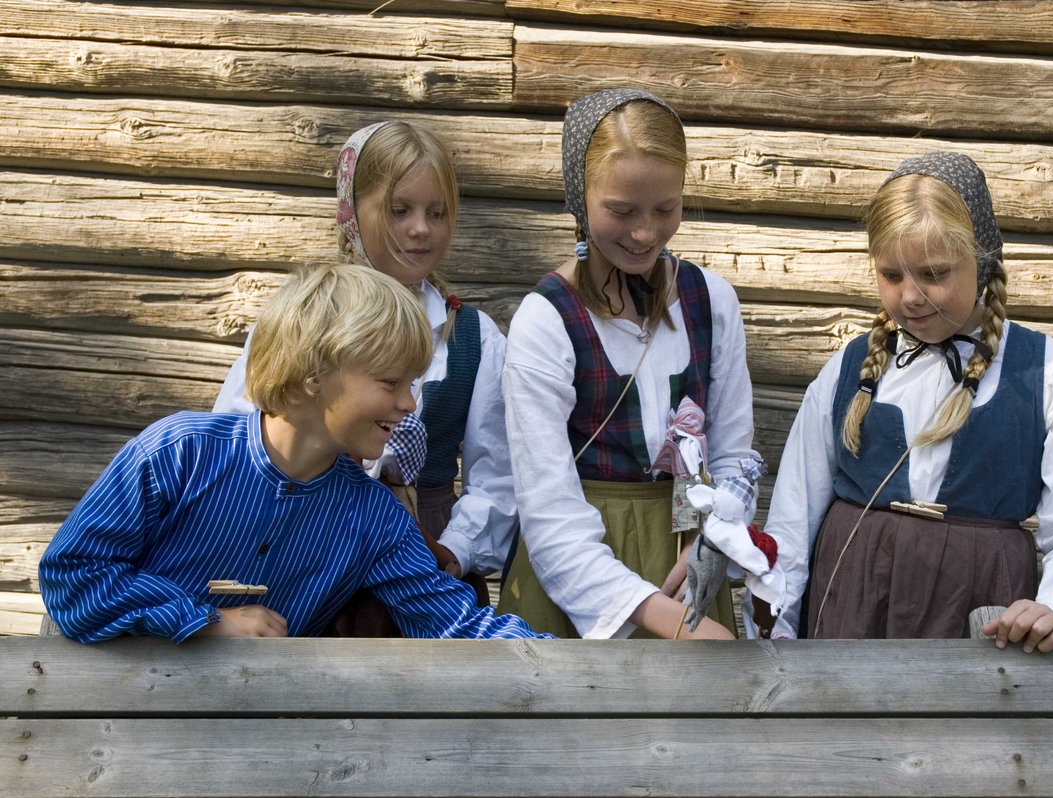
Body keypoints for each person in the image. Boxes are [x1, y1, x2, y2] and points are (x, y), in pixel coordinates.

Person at [40, 261, 550, 643]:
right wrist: (206, 623)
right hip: (114, 728)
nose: (409, 403)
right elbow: (71, 576)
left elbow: (456, 625)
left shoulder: (374, 518)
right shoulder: (178, 454)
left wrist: (577, 670)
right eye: (391, 382)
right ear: (313, 378)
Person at [764, 151, 1053, 651]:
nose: (910, 296)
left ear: (982, 261)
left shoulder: (1043, 372)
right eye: (892, 275)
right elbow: (795, 515)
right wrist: (775, 619)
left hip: (979, 610)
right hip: (852, 604)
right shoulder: (850, 368)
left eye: (933, 273)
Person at [214, 121, 517, 631]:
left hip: (422, 574)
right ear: (353, 209)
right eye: (400, 210)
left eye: (436, 213)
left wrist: (453, 550)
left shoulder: (473, 338)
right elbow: (236, 437)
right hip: (296, 557)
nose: (420, 228)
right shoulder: (302, 319)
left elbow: (499, 476)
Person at [498, 89, 758, 640]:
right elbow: (548, 514)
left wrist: (714, 535)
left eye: (666, 209)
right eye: (621, 211)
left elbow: (733, 453)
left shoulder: (711, 302)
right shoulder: (546, 322)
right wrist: (665, 620)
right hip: (579, 578)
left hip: (685, 569)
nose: (645, 233)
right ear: (579, 195)